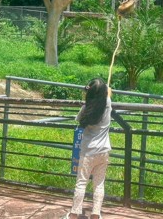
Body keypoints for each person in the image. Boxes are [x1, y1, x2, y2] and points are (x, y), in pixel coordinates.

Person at [65, 78, 112, 219]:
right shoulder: (108, 104)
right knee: (99, 184)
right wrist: (107, 92)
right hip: (103, 151)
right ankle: (96, 214)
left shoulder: (86, 108)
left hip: (88, 153)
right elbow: (108, 95)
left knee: (81, 182)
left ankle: (74, 214)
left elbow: (79, 119)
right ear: (104, 93)